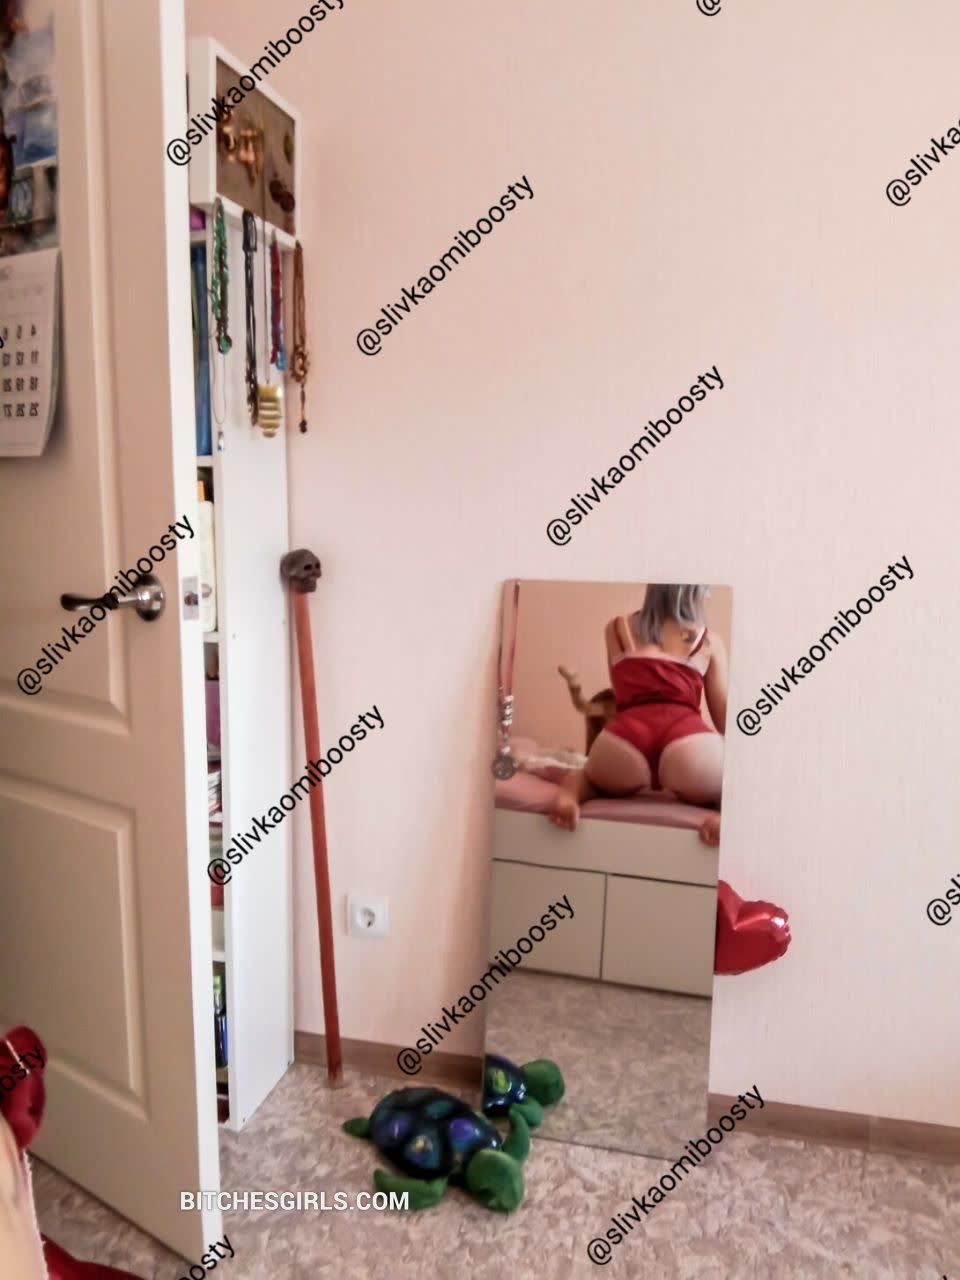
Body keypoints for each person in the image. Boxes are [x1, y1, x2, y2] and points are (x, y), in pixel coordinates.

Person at [547, 584, 726, 845]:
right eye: (707, 591)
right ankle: (726, 816)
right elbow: (724, 722)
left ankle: (569, 797)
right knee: (730, 785)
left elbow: (622, 699)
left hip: (625, 742)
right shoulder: (709, 641)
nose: (709, 596)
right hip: (689, 746)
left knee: (588, 778)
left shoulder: (616, 629)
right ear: (694, 592)